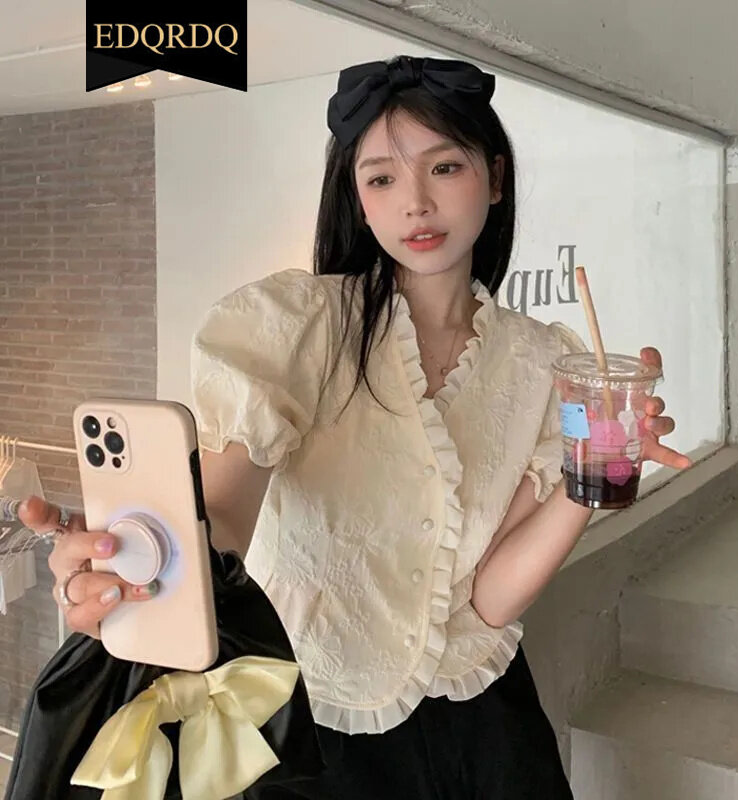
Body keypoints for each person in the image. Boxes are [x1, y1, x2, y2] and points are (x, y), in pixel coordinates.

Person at [21, 55, 691, 798]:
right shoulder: (298, 328)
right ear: (358, 200)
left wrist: (589, 474)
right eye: (381, 179)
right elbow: (223, 519)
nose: (416, 204)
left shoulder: (543, 362)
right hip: (318, 729)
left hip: (487, 723)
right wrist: (137, 558)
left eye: (444, 168)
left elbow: (491, 600)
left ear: (495, 178)